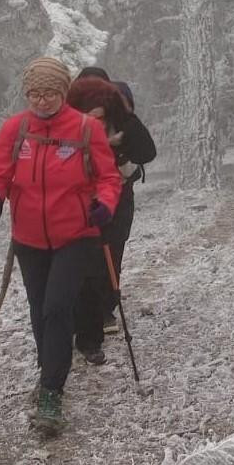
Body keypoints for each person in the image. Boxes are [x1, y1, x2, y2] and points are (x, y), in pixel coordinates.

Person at [0, 57, 123, 436]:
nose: (41, 101)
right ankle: (49, 370)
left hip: (75, 235)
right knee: (40, 309)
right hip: (28, 238)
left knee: (58, 308)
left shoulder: (86, 129)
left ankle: (51, 392)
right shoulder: (16, 130)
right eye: (34, 93)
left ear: (63, 93)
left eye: (50, 93)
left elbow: (108, 178)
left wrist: (104, 204)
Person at [68, 69, 156, 359]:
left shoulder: (121, 115)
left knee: (111, 253)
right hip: (82, 198)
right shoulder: (70, 117)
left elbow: (146, 151)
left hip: (117, 193)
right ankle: (90, 321)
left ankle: (103, 312)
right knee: (88, 260)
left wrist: (124, 132)